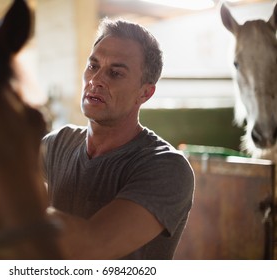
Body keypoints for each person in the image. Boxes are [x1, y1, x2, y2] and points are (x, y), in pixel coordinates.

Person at [42, 18, 194, 260]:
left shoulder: (167, 167)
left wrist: (9, 202)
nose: (96, 80)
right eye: (93, 66)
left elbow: (91, 247)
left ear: (145, 92)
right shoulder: (58, 143)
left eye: (115, 73)